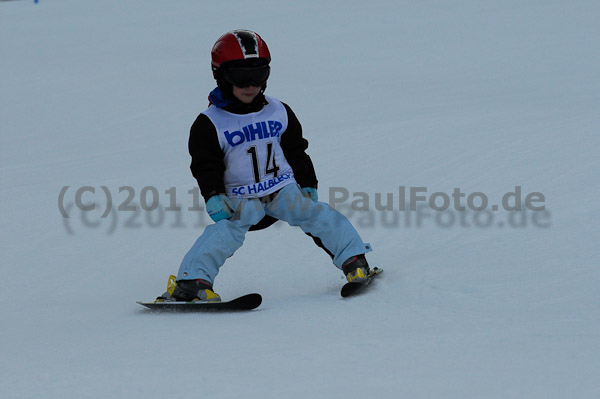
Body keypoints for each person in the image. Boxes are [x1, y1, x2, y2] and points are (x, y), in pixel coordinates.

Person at [158, 30, 373, 302]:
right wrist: (213, 195)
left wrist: (307, 183)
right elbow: (205, 165)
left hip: (282, 189)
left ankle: (354, 260)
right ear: (220, 76)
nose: (251, 86)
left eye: (258, 76)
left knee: (318, 215)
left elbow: (296, 150)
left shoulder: (278, 110)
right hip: (240, 196)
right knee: (225, 233)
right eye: (240, 77)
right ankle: (191, 284)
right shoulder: (210, 123)